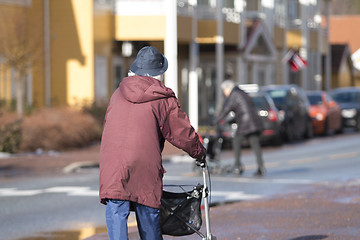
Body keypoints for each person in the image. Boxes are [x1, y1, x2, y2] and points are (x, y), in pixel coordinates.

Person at [99, 46, 206, 240]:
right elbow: (181, 132)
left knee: (116, 210)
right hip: (144, 164)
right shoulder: (162, 98)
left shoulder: (117, 94)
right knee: (147, 207)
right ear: (160, 72)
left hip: (113, 163)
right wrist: (199, 152)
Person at [214, 80, 266, 177]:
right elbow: (242, 108)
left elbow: (227, 109)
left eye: (224, 90)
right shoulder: (241, 92)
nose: (224, 93)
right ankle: (261, 167)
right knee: (255, 145)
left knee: (236, 141)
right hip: (253, 121)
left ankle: (237, 165)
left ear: (227, 89)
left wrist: (217, 120)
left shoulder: (234, 94)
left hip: (246, 123)